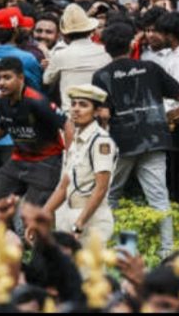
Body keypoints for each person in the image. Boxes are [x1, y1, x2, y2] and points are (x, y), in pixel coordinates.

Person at [92, 21, 179, 257]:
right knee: (159, 197)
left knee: (111, 195)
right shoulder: (150, 67)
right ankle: (166, 250)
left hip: (121, 143)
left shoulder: (101, 76)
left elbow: (103, 114)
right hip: (154, 138)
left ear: (105, 47)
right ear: (132, 43)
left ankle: (111, 247)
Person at [0, 57, 65, 210]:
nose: (1, 83)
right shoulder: (1, 101)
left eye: (7, 77)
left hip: (46, 162)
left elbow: (67, 124)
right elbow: (0, 129)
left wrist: (71, 160)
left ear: (21, 78)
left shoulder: (37, 101)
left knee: (31, 215)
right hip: (18, 159)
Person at [42, 84, 116, 244]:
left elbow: (101, 188)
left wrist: (79, 223)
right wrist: (42, 215)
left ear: (96, 111)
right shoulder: (76, 139)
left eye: (83, 105)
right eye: (73, 104)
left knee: (89, 261)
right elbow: (64, 186)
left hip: (91, 219)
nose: (76, 109)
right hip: (69, 213)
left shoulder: (101, 141)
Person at [43, 4, 110, 113]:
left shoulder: (60, 55)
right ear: (90, 30)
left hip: (72, 114)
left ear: (64, 35)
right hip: (99, 112)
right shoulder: (105, 51)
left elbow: (46, 80)